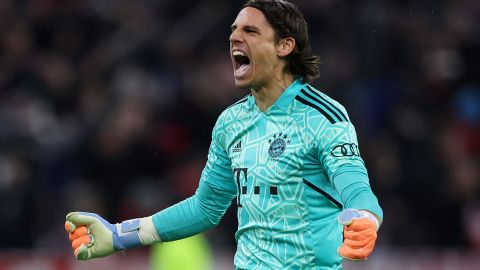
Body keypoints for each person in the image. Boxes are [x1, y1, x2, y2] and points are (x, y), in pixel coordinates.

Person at [64, 0, 383, 269]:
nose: (234, 39)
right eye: (233, 31)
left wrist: (366, 216)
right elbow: (205, 207)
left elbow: (354, 185)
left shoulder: (322, 115)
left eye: (250, 31)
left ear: (285, 45)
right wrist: (119, 235)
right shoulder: (231, 122)